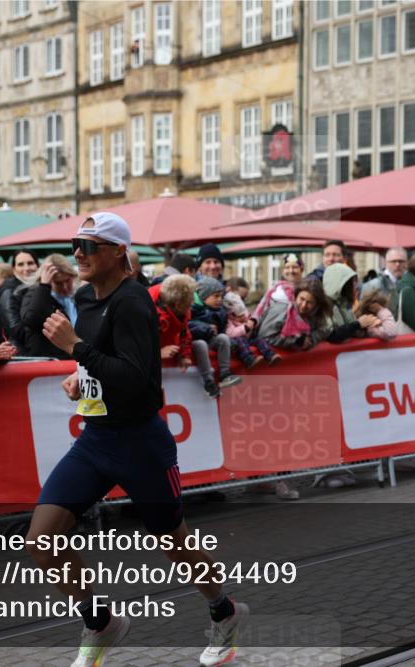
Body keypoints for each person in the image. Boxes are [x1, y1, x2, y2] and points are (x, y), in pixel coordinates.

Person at [26, 212, 248, 667]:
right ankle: (100, 622)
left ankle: (224, 612)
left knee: (174, 542)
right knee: (41, 540)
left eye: (89, 246)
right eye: (75, 245)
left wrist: (76, 350)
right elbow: (98, 356)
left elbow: (135, 379)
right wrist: (81, 375)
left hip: (140, 443)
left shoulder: (133, 303)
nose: (79, 254)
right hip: (96, 439)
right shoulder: (85, 296)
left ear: (117, 253)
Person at [18, 254, 81, 359]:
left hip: (76, 357)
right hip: (52, 360)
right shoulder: (36, 293)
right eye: (58, 283)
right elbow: (31, 318)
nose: (65, 287)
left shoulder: (77, 295)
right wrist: (44, 286)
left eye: (67, 280)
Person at [189, 276, 242, 397]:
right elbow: (188, 325)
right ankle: (209, 382)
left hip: (211, 340)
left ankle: (225, 374)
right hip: (194, 342)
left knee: (223, 338)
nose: (219, 299)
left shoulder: (221, 311)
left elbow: (222, 332)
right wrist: (205, 328)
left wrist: (231, 343)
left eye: (221, 296)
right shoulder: (192, 308)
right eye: (216, 296)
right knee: (201, 344)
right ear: (203, 296)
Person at [255, 276, 332, 351]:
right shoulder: (282, 310)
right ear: (296, 296)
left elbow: (325, 329)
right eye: (302, 299)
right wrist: (295, 341)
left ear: (316, 304)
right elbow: (264, 337)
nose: (304, 305)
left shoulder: (316, 313)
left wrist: (311, 339)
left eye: (310, 302)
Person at [223, 291, 280, 368]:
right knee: (241, 341)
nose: (243, 317)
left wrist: (254, 322)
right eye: (239, 316)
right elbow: (230, 333)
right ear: (231, 315)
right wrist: (245, 328)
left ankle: (270, 355)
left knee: (260, 340)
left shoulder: (245, 313)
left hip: (249, 338)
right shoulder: (228, 321)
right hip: (239, 340)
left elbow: (253, 318)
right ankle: (249, 359)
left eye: (243, 314)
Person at [322, 263, 377, 342]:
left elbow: (350, 328)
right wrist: (358, 324)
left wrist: (367, 325)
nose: (354, 285)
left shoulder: (343, 304)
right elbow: (332, 336)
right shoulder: (325, 306)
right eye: (351, 282)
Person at [0, 249, 40, 349]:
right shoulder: (9, 291)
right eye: (20, 264)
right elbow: (16, 329)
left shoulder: (41, 286)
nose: (26, 268)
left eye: (30, 263)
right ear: (14, 269)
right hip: (22, 351)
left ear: (37, 266)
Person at [360, 247, 407, 316]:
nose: (397, 264)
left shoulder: (410, 283)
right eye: (393, 261)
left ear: (406, 262)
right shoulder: (374, 285)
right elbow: (364, 311)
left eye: (401, 261)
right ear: (386, 262)